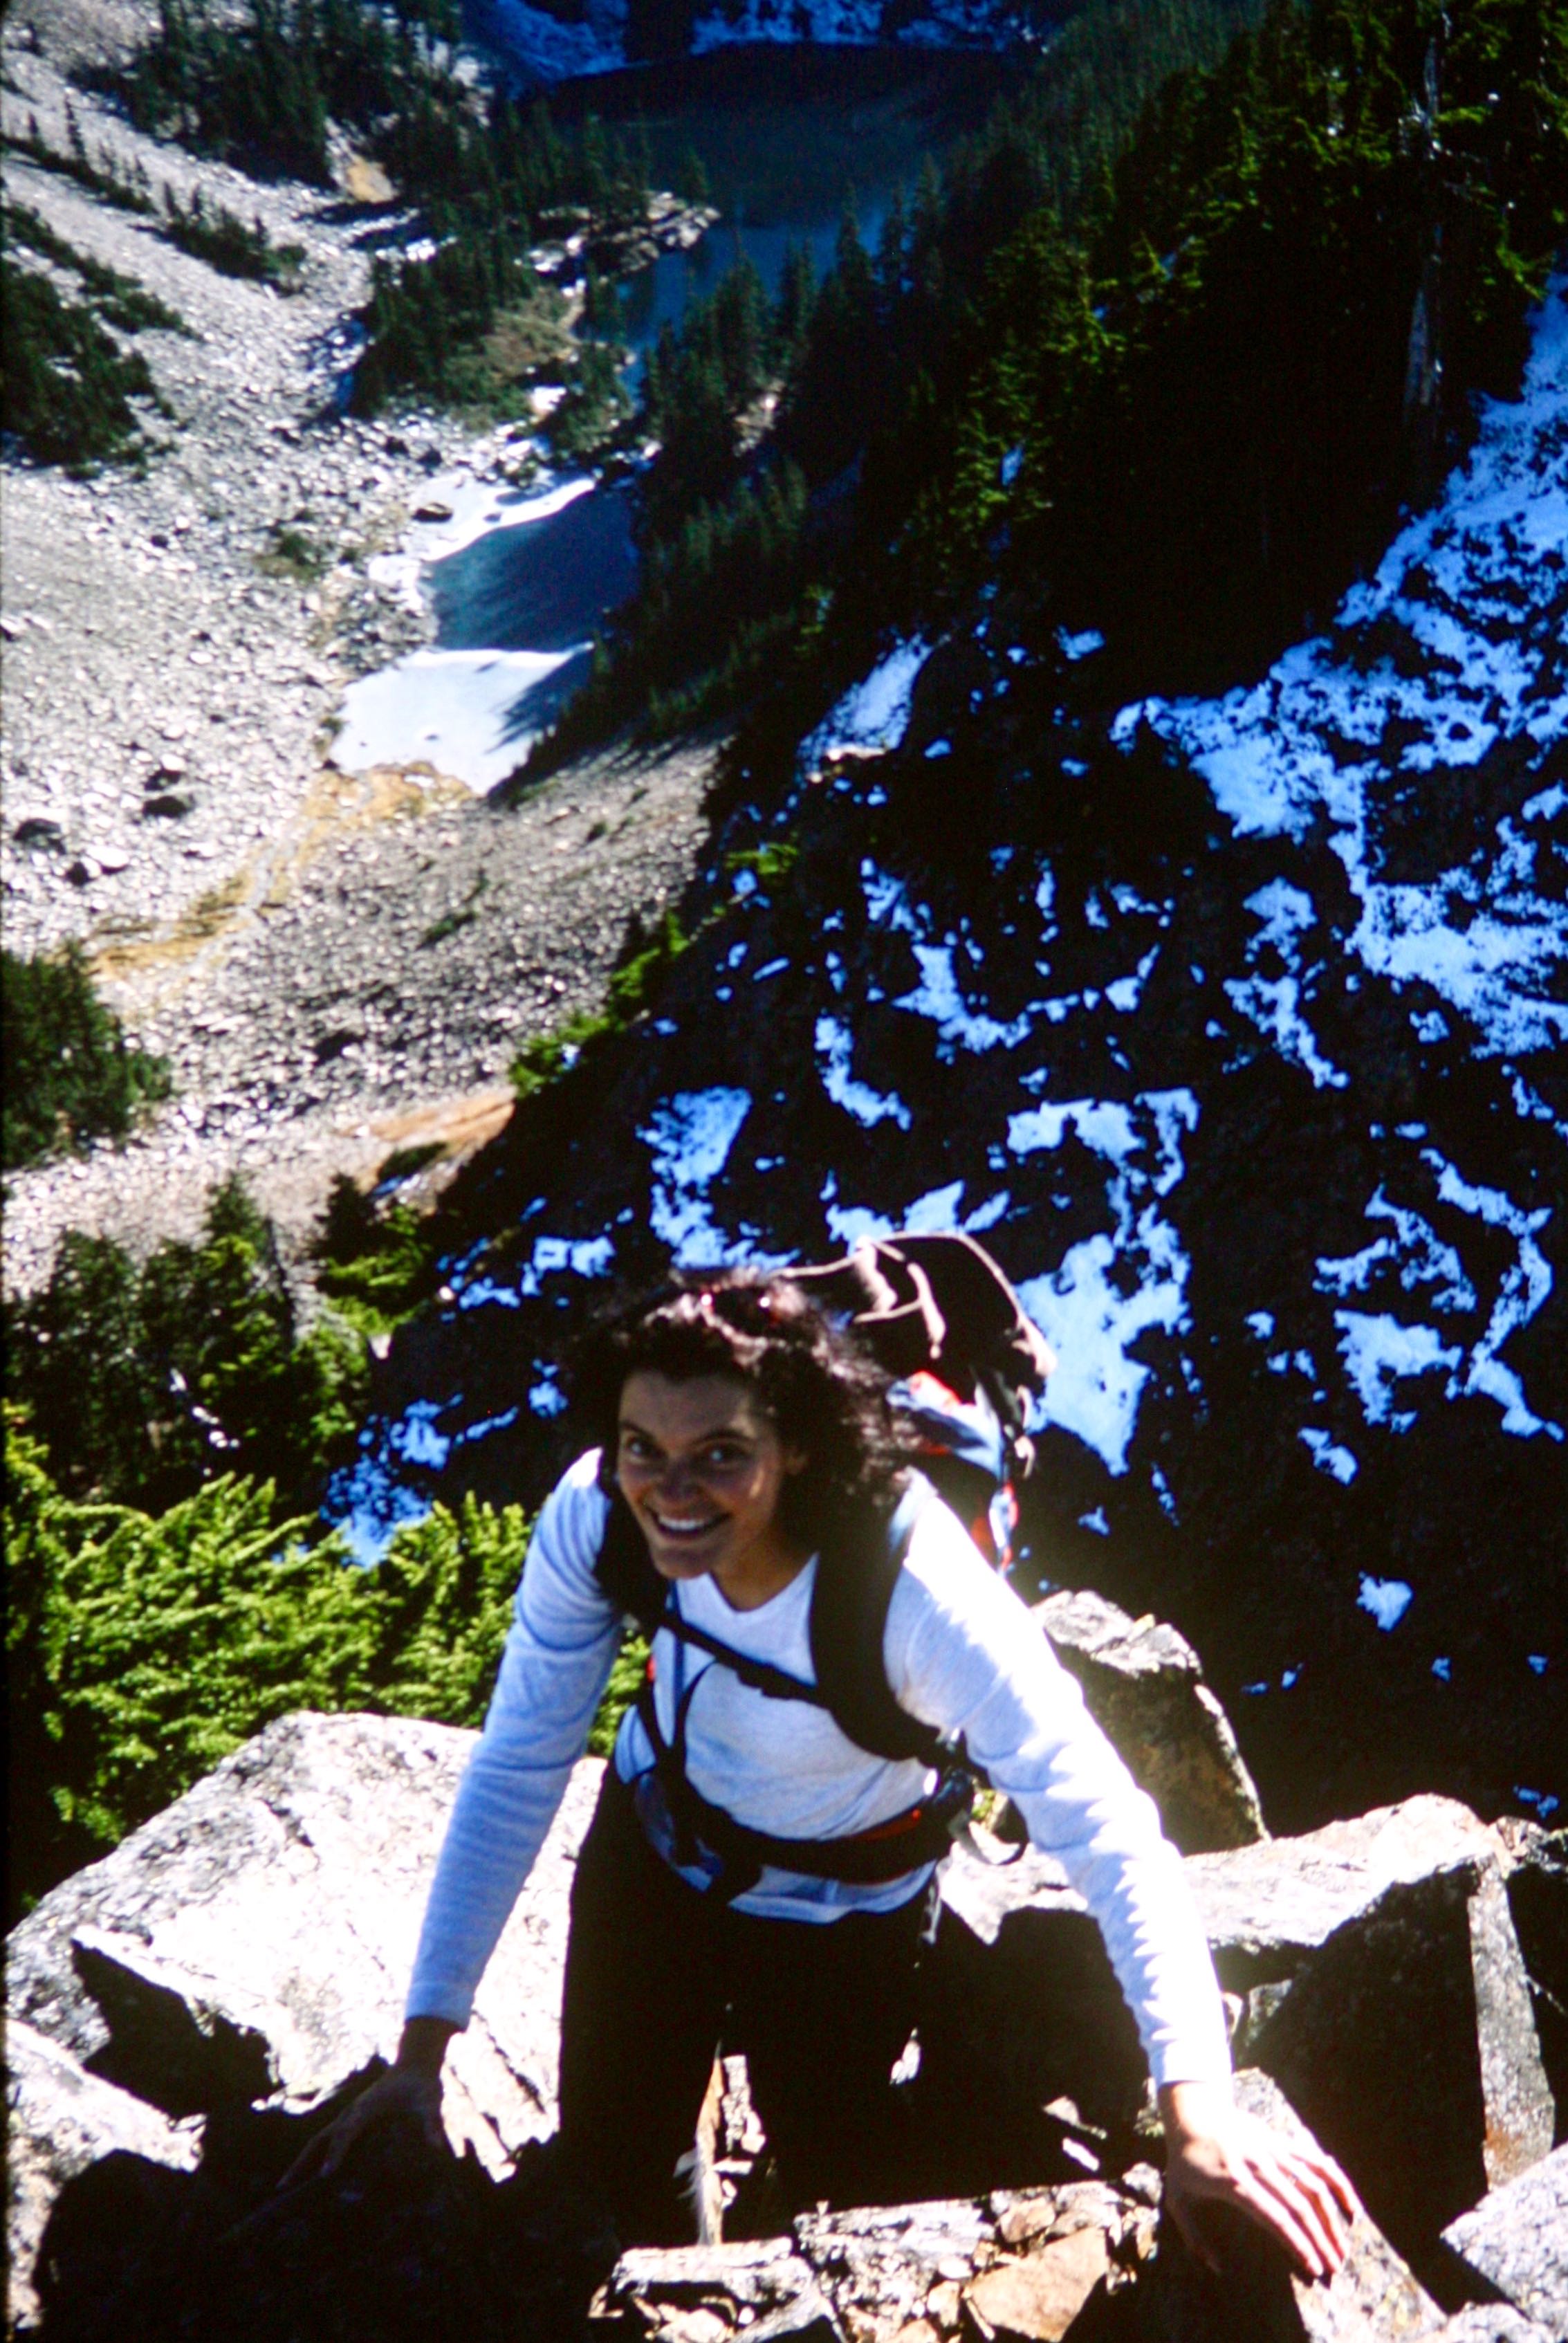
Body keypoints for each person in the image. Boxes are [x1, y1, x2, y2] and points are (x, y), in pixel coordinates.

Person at [288, 1274, 1356, 2279]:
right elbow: (521, 1760)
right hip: (655, 1863)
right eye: (641, 1446)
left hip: (849, 1916)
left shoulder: (914, 1589)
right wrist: (422, 2054)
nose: (670, 1491)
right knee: (619, 2169)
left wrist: (1198, 2114)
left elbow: (1110, 1830)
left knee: (834, 2171)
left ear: (796, 1445)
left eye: (719, 1455)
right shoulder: (598, 1513)